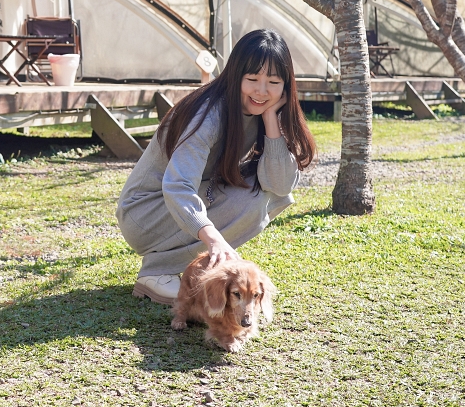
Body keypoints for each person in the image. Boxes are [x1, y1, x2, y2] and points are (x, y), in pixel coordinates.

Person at [116, 29, 316, 304]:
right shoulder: (209, 114)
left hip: (186, 202)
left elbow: (279, 186)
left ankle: (178, 267)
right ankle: (159, 271)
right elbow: (177, 185)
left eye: (273, 81)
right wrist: (214, 241)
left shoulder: (265, 113)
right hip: (145, 213)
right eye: (252, 79)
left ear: (286, 86)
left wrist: (271, 119)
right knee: (252, 201)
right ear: (236, 76)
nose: (261, 91)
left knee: (260, 197)